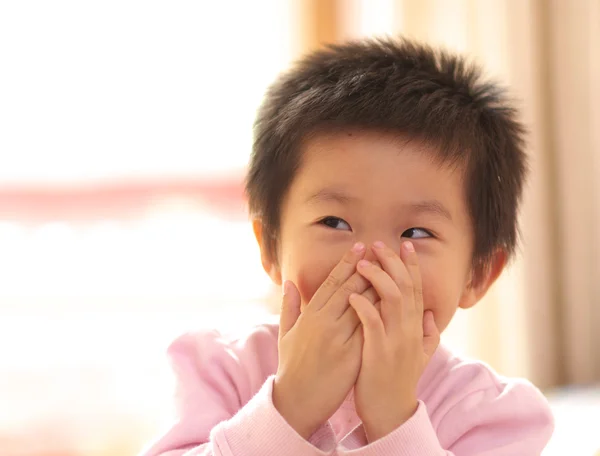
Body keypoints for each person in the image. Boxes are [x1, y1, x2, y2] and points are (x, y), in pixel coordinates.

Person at [139, 37, 554, 455]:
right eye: (334, 222)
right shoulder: (219, 368)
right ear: (270, 247)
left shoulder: (494, 416)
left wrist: (393, 419)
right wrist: (290, 407)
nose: (371, 261)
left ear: (478, 273)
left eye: (415, 233)